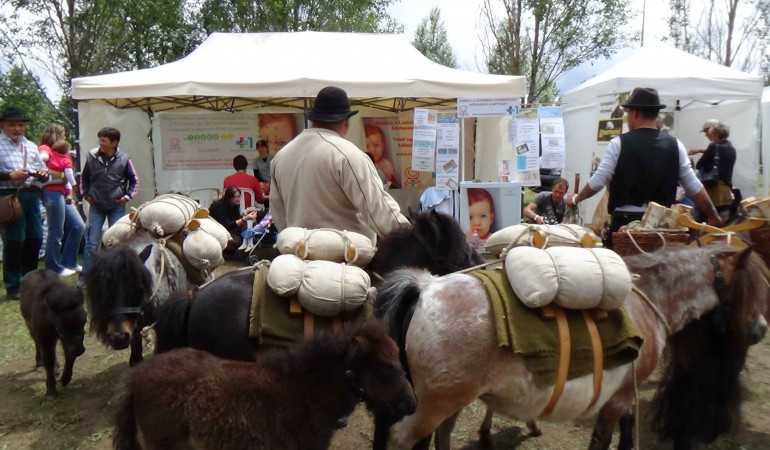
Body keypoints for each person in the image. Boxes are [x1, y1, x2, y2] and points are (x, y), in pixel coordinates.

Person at [567, 87, 720, 241]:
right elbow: (693, 186)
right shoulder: (676, 145)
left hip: (625, 226)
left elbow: (598, 181)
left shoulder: (618, 143)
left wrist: (577, 198)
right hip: (661, 227)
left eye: (628, 114)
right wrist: (713, 216)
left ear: (635, 113)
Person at [270, 86, 409, 243]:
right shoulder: (347, 155)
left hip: (298, 256)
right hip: (346, 260)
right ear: (345, 122)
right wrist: (414, 241)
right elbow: (378, 210)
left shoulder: (281, 157)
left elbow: (279, 216)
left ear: (313, 119)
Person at [0, 106, 49, 299]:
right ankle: (13, 286)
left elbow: (43, 170)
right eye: (13, 125)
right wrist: (9, 175)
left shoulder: (30, 145)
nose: (17, 129)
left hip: (31, 194)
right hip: (9, 195)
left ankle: (29, 281)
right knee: (14, 241)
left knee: (35, 238)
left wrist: (43, 175)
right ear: (3, 125)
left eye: (20, 125)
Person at [81, 127, 139, 275]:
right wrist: (86, 194)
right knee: (92, 242)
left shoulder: (125, 159)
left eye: (104, 140)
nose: (100, 143)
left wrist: (127, 197)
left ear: (114, 143)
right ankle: (87, 276)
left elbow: (134, 180)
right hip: (96, 205)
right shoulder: (92, 156)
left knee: (116, 241)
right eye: (100, 139)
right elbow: (84, 178)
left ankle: (116, 274)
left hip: (116, 206)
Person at [39, 129, 85, 277]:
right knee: (56, 231)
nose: (65, 137)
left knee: (78, 225)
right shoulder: (45, 149)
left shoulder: (63, 154)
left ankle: (68, 262)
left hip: (63, 193)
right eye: (63, 135)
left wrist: (70, 193)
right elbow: (42, 169)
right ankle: (53, 267)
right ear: (56, 135)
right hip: (51, 193)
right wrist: (61, 174)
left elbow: (66, 176)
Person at [695, 122, 736, 221]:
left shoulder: (713, 146)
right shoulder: (731, 148)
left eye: (711, 134)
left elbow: (699, 165)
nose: (709, 136)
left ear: (716, 134)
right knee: (722, 220)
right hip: (726, 190)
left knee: (704, 218)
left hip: (713, 190)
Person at [209, 186, 257, 259]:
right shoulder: (219, 206)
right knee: (238, 239)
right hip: (219, 231)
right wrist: (244, 218)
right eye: (235, 197)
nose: (238, 199)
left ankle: (243, 249)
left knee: (248, 229)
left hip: (228, 229)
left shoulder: (234, 204)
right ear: (229, 197)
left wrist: (245, 214)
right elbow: (226, 225)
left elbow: (236, 220)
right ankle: (227, 254)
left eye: (239, 196)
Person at [364, 124, 400, 188]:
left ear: (383, 146)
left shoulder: (386, 164)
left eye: (376, 145)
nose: (372, 150)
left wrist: (390, 177)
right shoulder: (364, 163)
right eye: (367, 146)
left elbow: (395, 185)